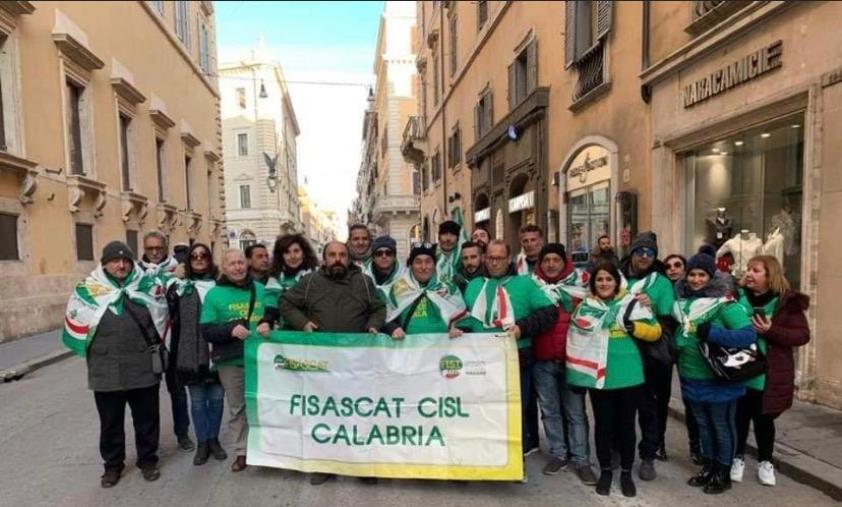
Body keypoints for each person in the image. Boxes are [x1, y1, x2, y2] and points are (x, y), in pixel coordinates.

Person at [62, 241, 169, 487]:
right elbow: (75, 317)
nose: (121, 265)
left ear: (131, 263)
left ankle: (148, 461)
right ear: (105, 263)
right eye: (115, 261)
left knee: (147, 419)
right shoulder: (88, 290)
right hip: (105, 370)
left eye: (125, 261)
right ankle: (112, 466)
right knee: (110, 423)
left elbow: (162, 318)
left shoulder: (147, 287)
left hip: (142, 366)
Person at [281, 241, 386, 485]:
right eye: (332, 255)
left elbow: (379, 308)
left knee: (358, 412)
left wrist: (374, 325)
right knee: (326, 414)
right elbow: (286, 303)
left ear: (348, 259)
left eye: (342, 255)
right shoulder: (310, 283)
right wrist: (303, 323)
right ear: (324, 258)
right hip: (322, 364)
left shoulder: (363, 282)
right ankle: (325, 464)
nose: (337, 259)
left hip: (357, 362)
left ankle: (362, 465)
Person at [454, 239, 557, 470]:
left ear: (508, 258)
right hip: (480, 361)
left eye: (499, 258)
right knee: (483, 410)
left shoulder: (525, 284)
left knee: (513, 412)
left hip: (516, 360)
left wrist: (523, 327)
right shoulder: (474, 286)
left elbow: (550, 313)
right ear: (484, 258)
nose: (494, 262)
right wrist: (459, 328)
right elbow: (470, 319)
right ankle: (485, 458)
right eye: (490, 257)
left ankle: (513, 463)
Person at [566, 261, 662, 497]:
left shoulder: (631, 302)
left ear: (616, 282)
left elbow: (655, 330)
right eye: (600, 279)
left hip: (629, 375)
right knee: (604, 427)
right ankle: (607, 471)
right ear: (594, 283)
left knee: (627, 427)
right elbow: (575, 338)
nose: (604, 283)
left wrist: (633, 327)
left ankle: (627, 472)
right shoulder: (586, 306)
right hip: (600, 377)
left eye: (609, 279)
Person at [674, 253, 756, 494]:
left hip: (719, 377)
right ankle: (709, 466)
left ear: (711, 277)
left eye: (702, 275)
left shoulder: (724, 304)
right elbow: (684, 333)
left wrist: (712, 332)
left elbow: (748, 335)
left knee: (720, 425)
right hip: (691, 375)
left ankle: (723, 470)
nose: (696, 279)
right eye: (692, 274)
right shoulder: (683, 304)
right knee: (703, 425)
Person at [732, 255, 810, 487]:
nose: (748, 274)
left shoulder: (786, 303)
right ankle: (737, 458)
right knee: (739, 418)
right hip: (738, 370)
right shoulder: (736, 297)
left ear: (770, 276)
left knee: (764, 420)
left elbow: (802, 335)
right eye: (747, 269)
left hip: (769, 373)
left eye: (755, 270)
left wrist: (770, 330)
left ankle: (765, 461)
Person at [530, 243, 597, 485]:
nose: (550, 264)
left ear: (564, 261)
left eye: (555, 259)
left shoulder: (581, 286)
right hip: (542, 360)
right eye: (546, 259)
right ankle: (559, 453)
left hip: (572, 361)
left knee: (576, 412)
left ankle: (581, 459)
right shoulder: (532, 287)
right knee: (549, 411)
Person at [200, 249, 268, 473]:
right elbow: (207, 331)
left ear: (247, 264)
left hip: (260, 358)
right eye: (232, 264)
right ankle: (242, 452)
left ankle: (265, 450)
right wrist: (230, 329)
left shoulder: (259, 289)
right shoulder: (214, 295)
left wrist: (268, 322)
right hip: (231, 361)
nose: (238, 267)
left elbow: (272, 314)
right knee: (237, 408)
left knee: (262, 405)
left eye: (241, 263)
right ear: (225, 267)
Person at [619, 231, 675, 480]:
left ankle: (648, 456)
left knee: (649, 410)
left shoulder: (661, 283)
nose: (644, 256)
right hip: (618, 353)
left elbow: (669, 321)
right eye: (640, 251)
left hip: (649, 356)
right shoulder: (616, 277)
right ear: (631, 252)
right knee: (621, 408)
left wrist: (650, 310)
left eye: (650, 252)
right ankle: (619, 449)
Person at [167, 243, 227, 466]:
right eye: (194, 256)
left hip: (217, 350)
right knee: (199, 401)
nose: (199, 259)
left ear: (210, 259)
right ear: (189, 261)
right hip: (190, 352)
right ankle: (202, 442)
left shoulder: (221, 286)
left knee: (217, 399)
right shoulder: (180, 287)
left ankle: (214, 439)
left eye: (204, 255)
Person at [138, 231, 193, 452]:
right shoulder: (136, 273)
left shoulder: (180, 269)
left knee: (178, 392)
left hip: (175, 339)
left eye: (158, 248)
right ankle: (150, 443)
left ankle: (183, 434)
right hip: (147, 341)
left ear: (165, 247)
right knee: (147, 397)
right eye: (150, 248)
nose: (154, 252)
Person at [382, 242, 466, 338]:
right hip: (410, 348)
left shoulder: (449, 287)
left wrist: (457, 329)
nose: (423, 267)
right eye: (418, 262)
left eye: (428, 261)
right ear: (411, 265)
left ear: (435, 265)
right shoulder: (398, 289)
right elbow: (387, 318)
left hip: (443, 347)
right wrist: (394, 328)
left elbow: (463, 319)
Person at [262, 233, 318, 330]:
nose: (292, 256)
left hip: (315, 330)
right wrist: (267, 321)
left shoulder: (316, 274)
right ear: (281, 256)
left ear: (304, 253)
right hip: (286, 332)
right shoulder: (276, 277)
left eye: (296, 251)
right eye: (287, 252)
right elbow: (271, 302)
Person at [436, 220, 463, 285]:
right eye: (445, 234)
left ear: (458, 238)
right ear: (439, 237)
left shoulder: (463, 254)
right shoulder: (431, 252)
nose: (448, 238)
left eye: (452, 234)